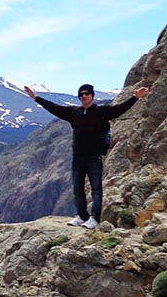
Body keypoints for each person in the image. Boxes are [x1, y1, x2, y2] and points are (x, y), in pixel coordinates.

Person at [24, 83, 150, 229]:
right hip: (78, 156)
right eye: (81, 94)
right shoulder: (74, 112)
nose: (84, 96)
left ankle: (94, 218)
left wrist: (135, 97)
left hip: (94, 155)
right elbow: (55, 108)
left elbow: (120, 109)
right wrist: (35, 98)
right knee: (77, 188)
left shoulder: (101, 111)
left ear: (92, 95)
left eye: (87, 94)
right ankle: (81, 215)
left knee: (96, 188)